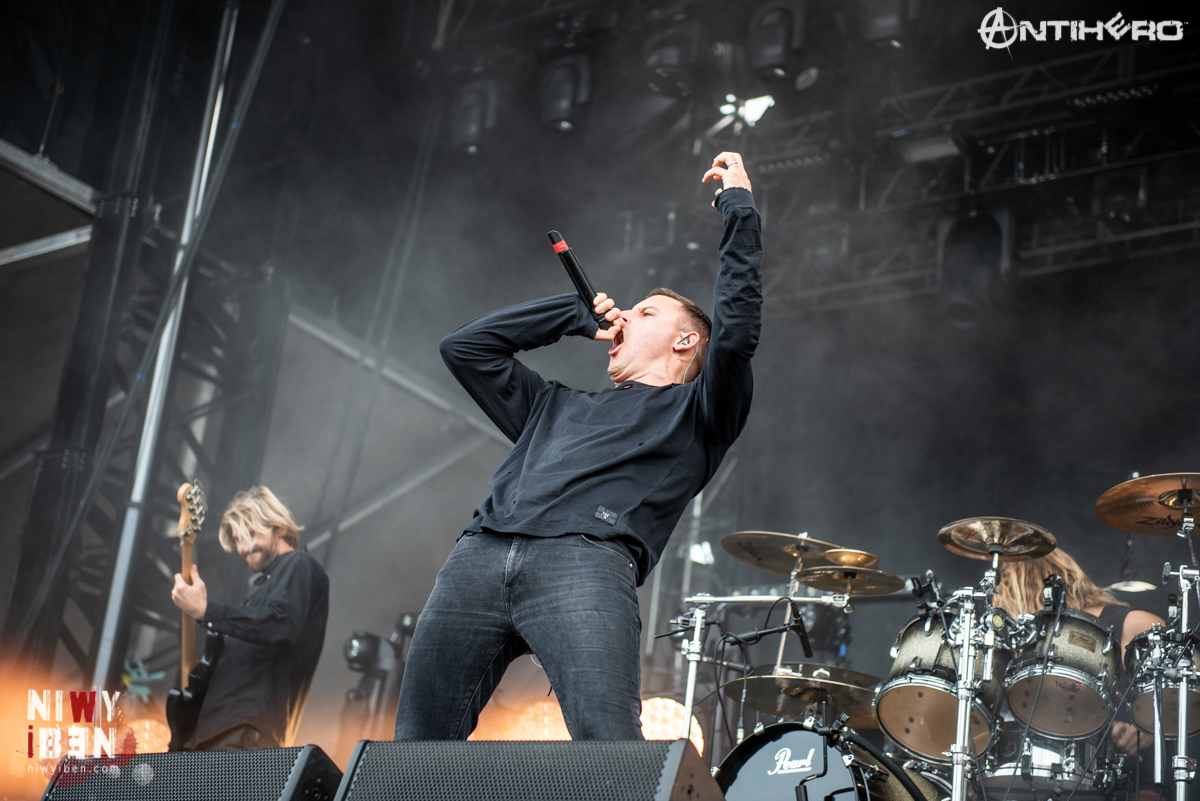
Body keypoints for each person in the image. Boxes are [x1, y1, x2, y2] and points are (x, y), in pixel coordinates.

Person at [394, 152, 762, 741]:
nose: (626, 318)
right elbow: (464, 349)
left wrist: (738, 209)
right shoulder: (552, 405)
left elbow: (736, 332)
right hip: (480, 555)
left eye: (645, 312)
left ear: (685, 341)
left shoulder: (698, 412)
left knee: (606, 745)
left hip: (586, 560)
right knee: (416, 745)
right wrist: (569, 315)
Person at [170, 486, 329, 750]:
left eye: (251, 534)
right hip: (214, 733)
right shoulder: (258, 598)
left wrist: (207, 611)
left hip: (242, 732)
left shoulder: (299, 564)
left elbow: (280, 624)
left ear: (278, 528)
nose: (243, 548)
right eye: (237, 540)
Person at [993, 547, 1164, 759]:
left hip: (1122, 764)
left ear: (1015, 593)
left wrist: (1149, 726)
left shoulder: (1132, 623)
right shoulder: (1021, 645)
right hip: (1040, 764)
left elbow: (1176, 695)